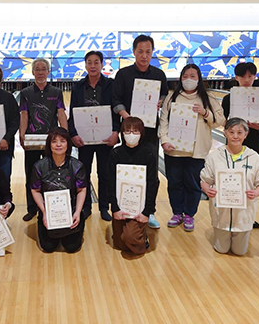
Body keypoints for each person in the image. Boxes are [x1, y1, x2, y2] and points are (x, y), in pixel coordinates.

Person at [159, 63, 225, 232]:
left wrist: (205, 112)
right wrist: (164, 140)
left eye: (192, 76)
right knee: (174, 183)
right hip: (174, 149)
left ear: (198, 78)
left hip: (197, 151)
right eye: (185, 76)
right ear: (181, 78)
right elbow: (164, 121)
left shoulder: (208, 98)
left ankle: (189, 214)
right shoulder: (172, 97)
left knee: (193, 184)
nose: (189, 79)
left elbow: (220, 121)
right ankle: (177, 212)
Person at [112, 34, 168, 229]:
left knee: (150, 172)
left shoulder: (159, 74)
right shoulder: (123, 74)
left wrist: (160, 101)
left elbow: (164, 96)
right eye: (140, 51)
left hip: (150, 132)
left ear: (152, 52)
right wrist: (128, 119)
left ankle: (148, 211)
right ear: (134, 52)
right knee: (127, 170)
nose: (144, 55)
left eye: (148, 52)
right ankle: (126, 206)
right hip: (129, 131)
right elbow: (115, 100)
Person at [200, 118, 259, 255]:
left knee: (239, 252)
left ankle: (239, 236)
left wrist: (255, 193)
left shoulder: (254, 157)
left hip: (244, 213)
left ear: (246, 134)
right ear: (225, 133)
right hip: (221, 212)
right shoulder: (214, 157)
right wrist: (207, 190)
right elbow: (205, 180)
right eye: (231, 132)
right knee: (222, 249)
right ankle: (222, 235)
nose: (235, 136)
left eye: (239, 132)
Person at [68, 51, 120, 221]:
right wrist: (73, 134)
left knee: (104, 174)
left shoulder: (111, 85)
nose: (92, 66)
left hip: (105, 138)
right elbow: (73, 113)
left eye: (96, 62)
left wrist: (116, 131)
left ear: (101, 64)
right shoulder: (78, 87)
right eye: (89, 62)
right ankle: (85, 207)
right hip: (85, 139)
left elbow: (116, 111)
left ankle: (104, 207)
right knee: (84, 174)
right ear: (85, 65)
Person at [221, 62, 259, 229]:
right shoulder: (228, 99)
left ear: (255, 76)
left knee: (250, 180)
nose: (247, 79)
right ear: (236, 77)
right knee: (233, 177)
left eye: (250, 76)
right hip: (234, 142)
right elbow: (223, 122)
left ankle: (249, 216)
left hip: (254, 141)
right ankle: (232, 214)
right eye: (243, 76)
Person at [19, 58, 68, 222]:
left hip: (52, 142)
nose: (40, 72)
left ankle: (51, 207)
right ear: (33, 72)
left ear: (48, 71)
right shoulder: (26, 93)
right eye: (37, 69)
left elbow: (61, 113)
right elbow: (24, 115)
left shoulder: (56, 92)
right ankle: (32, 208)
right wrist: (22, 134)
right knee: (31, 174)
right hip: (32, 140)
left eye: (43, 69)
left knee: (51, 175)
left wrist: (65, 135)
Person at [31, 128, 87, 253]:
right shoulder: (39, 166)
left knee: (72, 247)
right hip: (49, 213)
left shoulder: (77, 166)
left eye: (62, 141)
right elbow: (35, 190)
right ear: (49, 145)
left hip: (71, 212)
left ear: (68, 144)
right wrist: (44, 212)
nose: (58, 145)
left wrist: (77, 212)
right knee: (48, 247)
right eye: (54, 141)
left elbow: (81, 190)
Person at [108, 117, 158, 255]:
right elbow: (110, 183)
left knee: (130, 238)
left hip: (140, 208)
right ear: (122, 133)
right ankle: (137, 231)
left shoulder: (148, 154)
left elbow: (152, 184)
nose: (131, 135)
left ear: (141, 133)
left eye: (135, 131)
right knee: (120, 245)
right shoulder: (115, 153)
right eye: (128, 131)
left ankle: (143, 235)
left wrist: (146, 212)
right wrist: (115, 208)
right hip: (121, 206)